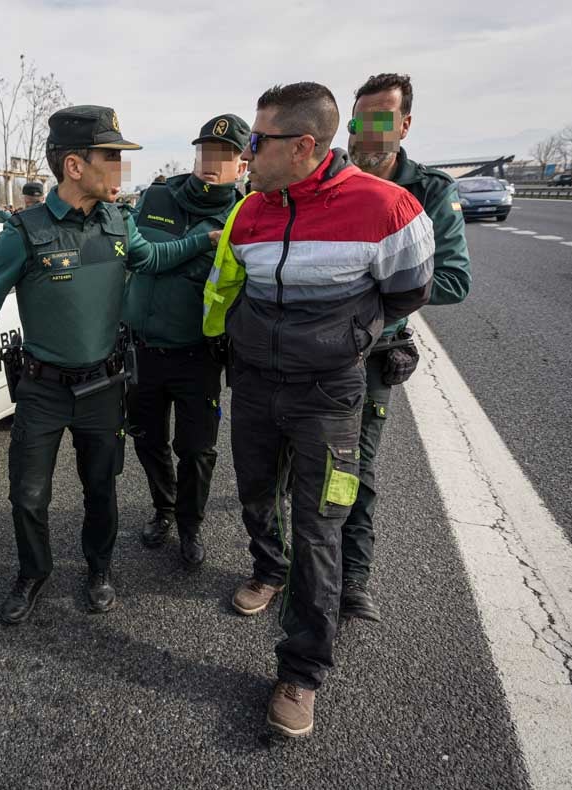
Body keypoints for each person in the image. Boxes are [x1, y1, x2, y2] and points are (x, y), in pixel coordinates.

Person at [215, 82, 434, 738]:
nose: (246, 153)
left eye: (257, 142)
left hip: (329, 397)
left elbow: (406, 293)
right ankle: (267, 568)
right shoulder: (251, 209)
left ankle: (301, 670)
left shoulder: (388, 208)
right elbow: (237, 282)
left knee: (319, 528)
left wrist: (345, 341)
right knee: (256, 493)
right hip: (253, 386)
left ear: (305, 145)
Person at [0, 105, 223, 625]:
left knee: (101, 489)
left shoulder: (119, 221)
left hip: (104, 386)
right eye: (111, 157)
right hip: (42, 390)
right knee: (28, 495)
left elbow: (153, 260)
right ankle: (34, 572)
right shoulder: (24, 231)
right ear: (75, 166)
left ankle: (98, 569)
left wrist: (202, 241)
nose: (121, 170)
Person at [123, 113, 250, 570]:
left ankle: (191, 524)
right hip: (142, 351)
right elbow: (138, 259)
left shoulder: (244, 213)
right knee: (146, 439)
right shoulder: (157, 195)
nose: (211, 161)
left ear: (242, 165)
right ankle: (165, 508)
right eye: (204, 151)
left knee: (196, 450)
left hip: (198, 355)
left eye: (225, 154)